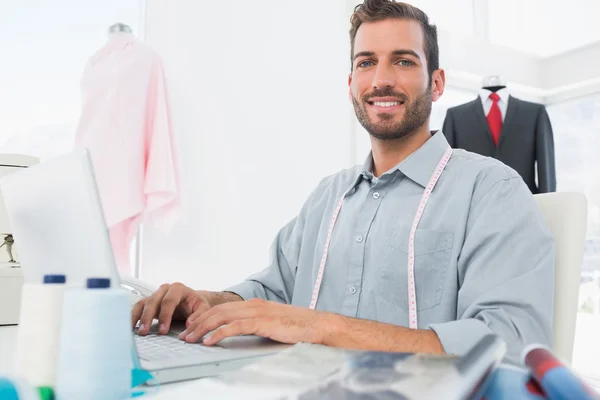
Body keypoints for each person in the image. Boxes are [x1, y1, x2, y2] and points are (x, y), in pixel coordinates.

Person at [132, 0, 555, 365]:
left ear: (437, 83)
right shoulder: (327, 197)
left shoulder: (492, 191)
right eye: (366, 62)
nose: (380, 79)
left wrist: (319, 326)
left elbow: (511, 346)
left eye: (403, 61)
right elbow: (273, 288)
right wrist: (208, 302)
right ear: (351, 84)